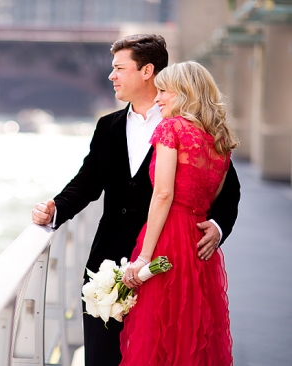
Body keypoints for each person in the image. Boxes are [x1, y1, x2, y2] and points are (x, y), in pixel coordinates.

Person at [31, 34, 241, 366]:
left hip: (165, 261)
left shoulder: (184, 126)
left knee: (160, 352)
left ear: (147, 72)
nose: (111, 75)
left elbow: (228, 189)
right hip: (108, 258)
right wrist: (56, 207)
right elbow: (88, 182)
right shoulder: (108, 126)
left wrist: (218, 225)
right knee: (101, 354)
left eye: (118, 68)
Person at [119, 61, 237, 365]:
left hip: (168, 237)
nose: (157, 99)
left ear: (184, 93)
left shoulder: (171, 128)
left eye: (164, 92)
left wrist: (144, 257)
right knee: (191, 330)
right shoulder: (220, 140)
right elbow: (214, 196)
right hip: (198, 244)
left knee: (157, 329)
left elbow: (164, 194)